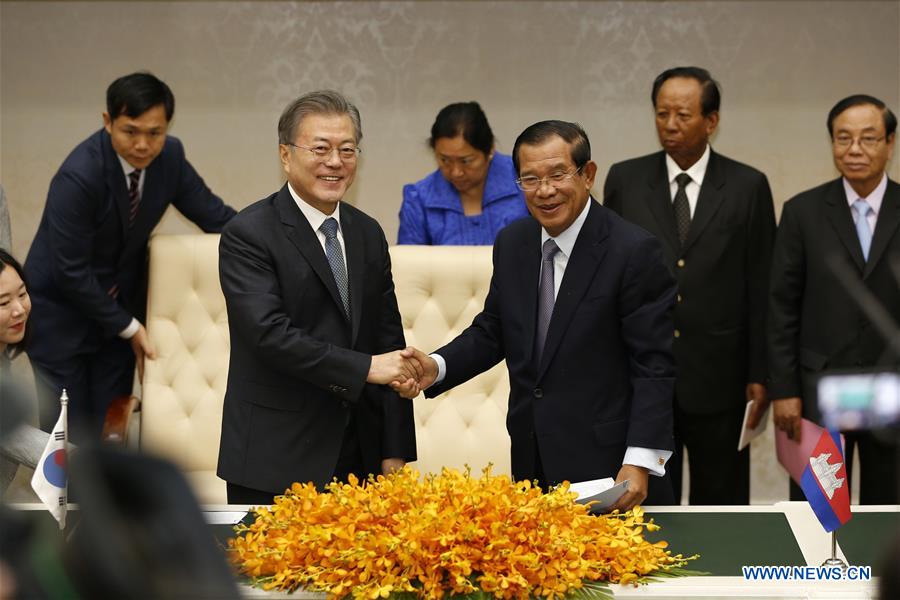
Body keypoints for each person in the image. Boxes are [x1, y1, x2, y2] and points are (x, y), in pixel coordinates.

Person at [398, 121, 677, 510]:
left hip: (612, 468)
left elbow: (654, 366)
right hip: (532, 459)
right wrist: (437, 366)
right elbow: (494, 330)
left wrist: (641, 461)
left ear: (588, 174)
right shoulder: (514, 243)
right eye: (530, 179)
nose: (545, 191)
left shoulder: (633, 251)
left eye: (557, 175)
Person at [217, 90, 418, 504]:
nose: (335, 162)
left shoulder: (367, 233)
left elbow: (388, 343)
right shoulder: (249, 234)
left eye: (347, 149)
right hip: (275, 460)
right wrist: (364, 368)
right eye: (321, 149)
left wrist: (395, 450)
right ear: (286, 155)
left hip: (359, 458)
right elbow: (270, 335)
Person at [24, 72, 236, 444]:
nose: (142, 145)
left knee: (109, 435)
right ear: (107, 122)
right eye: (130, 131)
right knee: (65, 438)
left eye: (154, 133)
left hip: (116, 317)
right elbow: (70, 271)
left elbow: (216, 217)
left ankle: (107, 503)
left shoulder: (170, 157)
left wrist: (274, 240)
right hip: (61, 317)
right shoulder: (80, 174)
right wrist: (132, 328)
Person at [603, 67, 776, 505]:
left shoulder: (747, 186)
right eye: (662, 114)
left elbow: (761, 284)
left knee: (722, 501)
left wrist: (760, 373)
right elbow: (607, 277)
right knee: (650, 505)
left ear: (711, 121)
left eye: (682, 114)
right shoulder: (626, 180)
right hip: (642, 371)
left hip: (721, 372)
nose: (670, 125)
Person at [768, 94, 899, 503]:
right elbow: (781, 306)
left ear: (890, 143)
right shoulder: (802, 212)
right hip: (817, 391)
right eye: (843, 138)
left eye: (868, 138)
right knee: (819, 513)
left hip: (892, 389)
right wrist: (784, 389)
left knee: (889, 515)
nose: (854, 149)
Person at [398, 102, 529, 245]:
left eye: (466, 161)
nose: (456, 172)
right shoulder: (419, 199)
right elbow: (409, 262)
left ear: (490, 150)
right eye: (444, 160)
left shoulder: (524, 179)